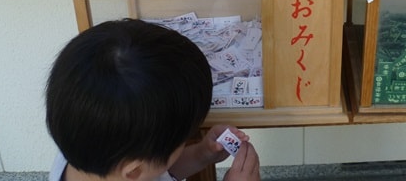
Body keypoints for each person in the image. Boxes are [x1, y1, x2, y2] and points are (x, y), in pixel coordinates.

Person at [46, 18, 260, 181]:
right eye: (181, 142)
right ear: (134, 171)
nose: (185, 143)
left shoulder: (88, 148)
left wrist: (202, 154)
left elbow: (159, 170)